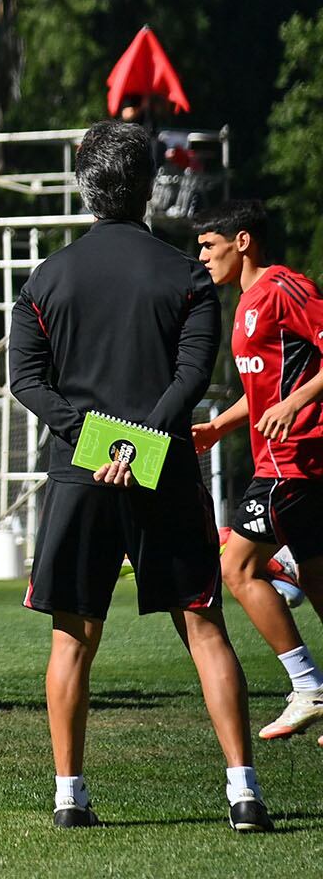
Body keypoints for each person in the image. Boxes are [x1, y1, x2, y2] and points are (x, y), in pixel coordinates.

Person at [9, 120, 270, 832]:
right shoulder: (188, 275)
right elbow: (193, 376)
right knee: (205, 627)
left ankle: (70, 798)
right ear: (149, 185)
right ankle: (243, 792)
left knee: (72, 638)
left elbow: (26, 382)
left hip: (79, 471)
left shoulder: (43, 279)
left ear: (82, 184)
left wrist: (98, 444)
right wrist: (142, 443)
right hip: (166, 471)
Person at [191, 201, 323, 743]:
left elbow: (291, 389)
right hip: (283, 460)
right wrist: (218, 427)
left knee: (237, 569)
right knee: (316, 578)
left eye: (208, 245)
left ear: (241, 241)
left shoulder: (285, 287)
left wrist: (296, 404)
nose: (201, 257)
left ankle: (308, 686)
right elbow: (262, 392)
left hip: (293, 459)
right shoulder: (246, 302)